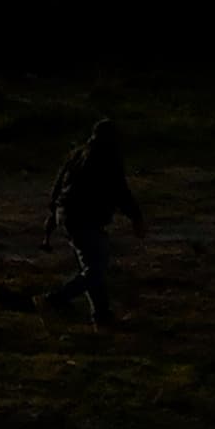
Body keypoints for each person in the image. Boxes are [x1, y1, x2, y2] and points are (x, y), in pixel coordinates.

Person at [41, 118, 142, 327]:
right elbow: (121, 192)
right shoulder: (107, 158)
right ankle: (55, 300)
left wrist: (53, 213)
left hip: (67, 217)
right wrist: (136, 217)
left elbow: (58, 185)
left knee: (91, 269)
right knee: (95, 270)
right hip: (85, 219)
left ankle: (101, 315)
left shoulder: (77, 155)